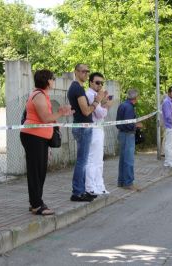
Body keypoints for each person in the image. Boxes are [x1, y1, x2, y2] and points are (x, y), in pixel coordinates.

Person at [20, 70, 73, 215]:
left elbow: (47, 117)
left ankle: (35, 202)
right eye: (53, 78)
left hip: (38, 136)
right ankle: (37, 204)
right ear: (47, 81)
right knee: (36, 171)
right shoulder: (39, 96)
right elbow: (45, 118)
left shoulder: (41, 95)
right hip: (34, 136)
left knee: (39, 171)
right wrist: (61, 113)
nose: (54, 81)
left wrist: (61, 113)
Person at [67, 64, 104, 202]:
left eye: (87, 71)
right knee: (82, 161)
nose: (86, 74)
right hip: (83, 127)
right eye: (83, 71)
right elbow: (86, 111)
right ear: (76, 72)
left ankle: (82, 190)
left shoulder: (78, 88)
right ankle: (77, 192)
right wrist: (97, 101)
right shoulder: (77, 88)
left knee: (83, 160)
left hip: (83, 126)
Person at [85, 72, 112, 195]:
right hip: (93, 129)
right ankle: (90, 186)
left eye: (101, 83)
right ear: (90, 82)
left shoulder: (97, 95)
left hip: (99, 128)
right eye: (97, 82)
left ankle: (99, 185)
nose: (100, 85)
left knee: (99, 160)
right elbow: (100, 113)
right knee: (92, 159)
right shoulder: (90, 94)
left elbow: (101, 112)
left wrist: (104, 103)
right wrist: (106, 106)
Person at [116, 88, 142, 191]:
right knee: (129, 160)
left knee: (123, 159)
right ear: (135, 97)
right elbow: (128, 124)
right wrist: (137, 126)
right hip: (128, 134)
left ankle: (121, 181)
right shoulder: (129, 107)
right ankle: (128, 183)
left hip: (122, 134)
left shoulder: (122, 105)